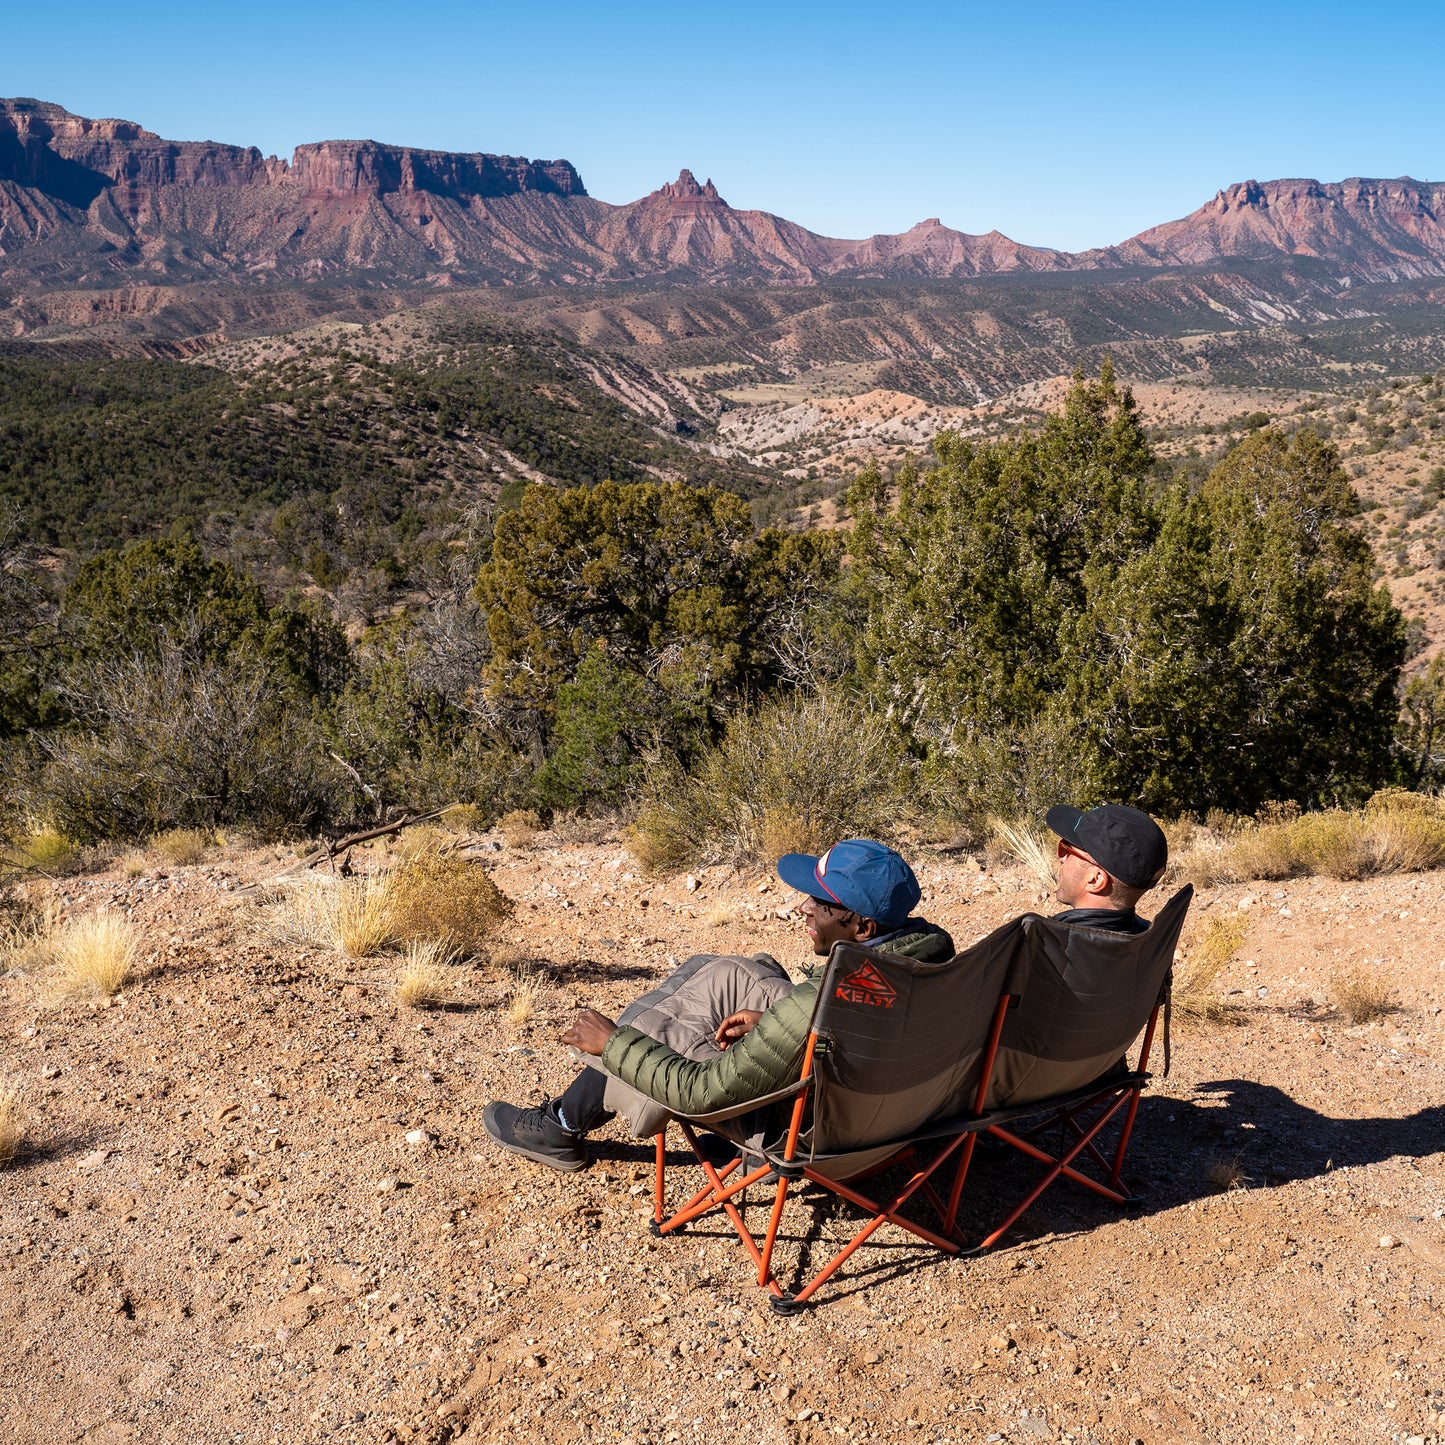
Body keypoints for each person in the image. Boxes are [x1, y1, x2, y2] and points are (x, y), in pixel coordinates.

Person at [482, 839, 955, 1172]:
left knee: (647, 1036)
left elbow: (700, 1092)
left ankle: (563, 1122)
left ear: (864, 929)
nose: (803, 908)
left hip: (808, 1131)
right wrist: (772, 1021)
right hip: (889, 1108)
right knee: (731, 969)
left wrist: (613, 1044)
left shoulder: (820, 1005)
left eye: (820, 901)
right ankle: (593, 1095)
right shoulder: (937, 964)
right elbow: (839, 1025)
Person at [1046, 802, 1169, 932]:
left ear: (1095, 879)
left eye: (1065, 849)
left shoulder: (1043, 947)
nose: (1060, 857)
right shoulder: (1148, 938)